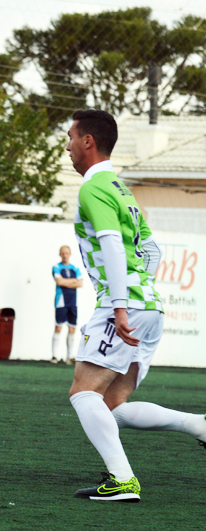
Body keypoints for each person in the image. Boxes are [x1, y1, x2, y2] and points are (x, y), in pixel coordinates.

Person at [66, 109, 206, 502]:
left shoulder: (94, 188)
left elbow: (111, 243)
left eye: (71, 137)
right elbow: (152, 249)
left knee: (83, 393)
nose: (67, 145)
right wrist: (140, 290)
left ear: (88, 141)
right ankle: (199, 425)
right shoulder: (122, 190)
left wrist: (120, 305)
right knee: (110, 405)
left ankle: (123, 480)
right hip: (150, 306)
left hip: (123, 307)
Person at [52, 245, 83, 364]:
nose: (65, 255)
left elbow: (80, 283)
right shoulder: (56, 267)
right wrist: (73, 282)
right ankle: (54, 356)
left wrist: (67, 282)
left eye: (67, 253)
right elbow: (59, 281)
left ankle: (69, 357)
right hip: (61, 301)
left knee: (72, 328)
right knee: (58, 327)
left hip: (73, 302)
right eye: (63, 253)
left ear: (70, 254)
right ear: (60, 254)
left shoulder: (75, 268)